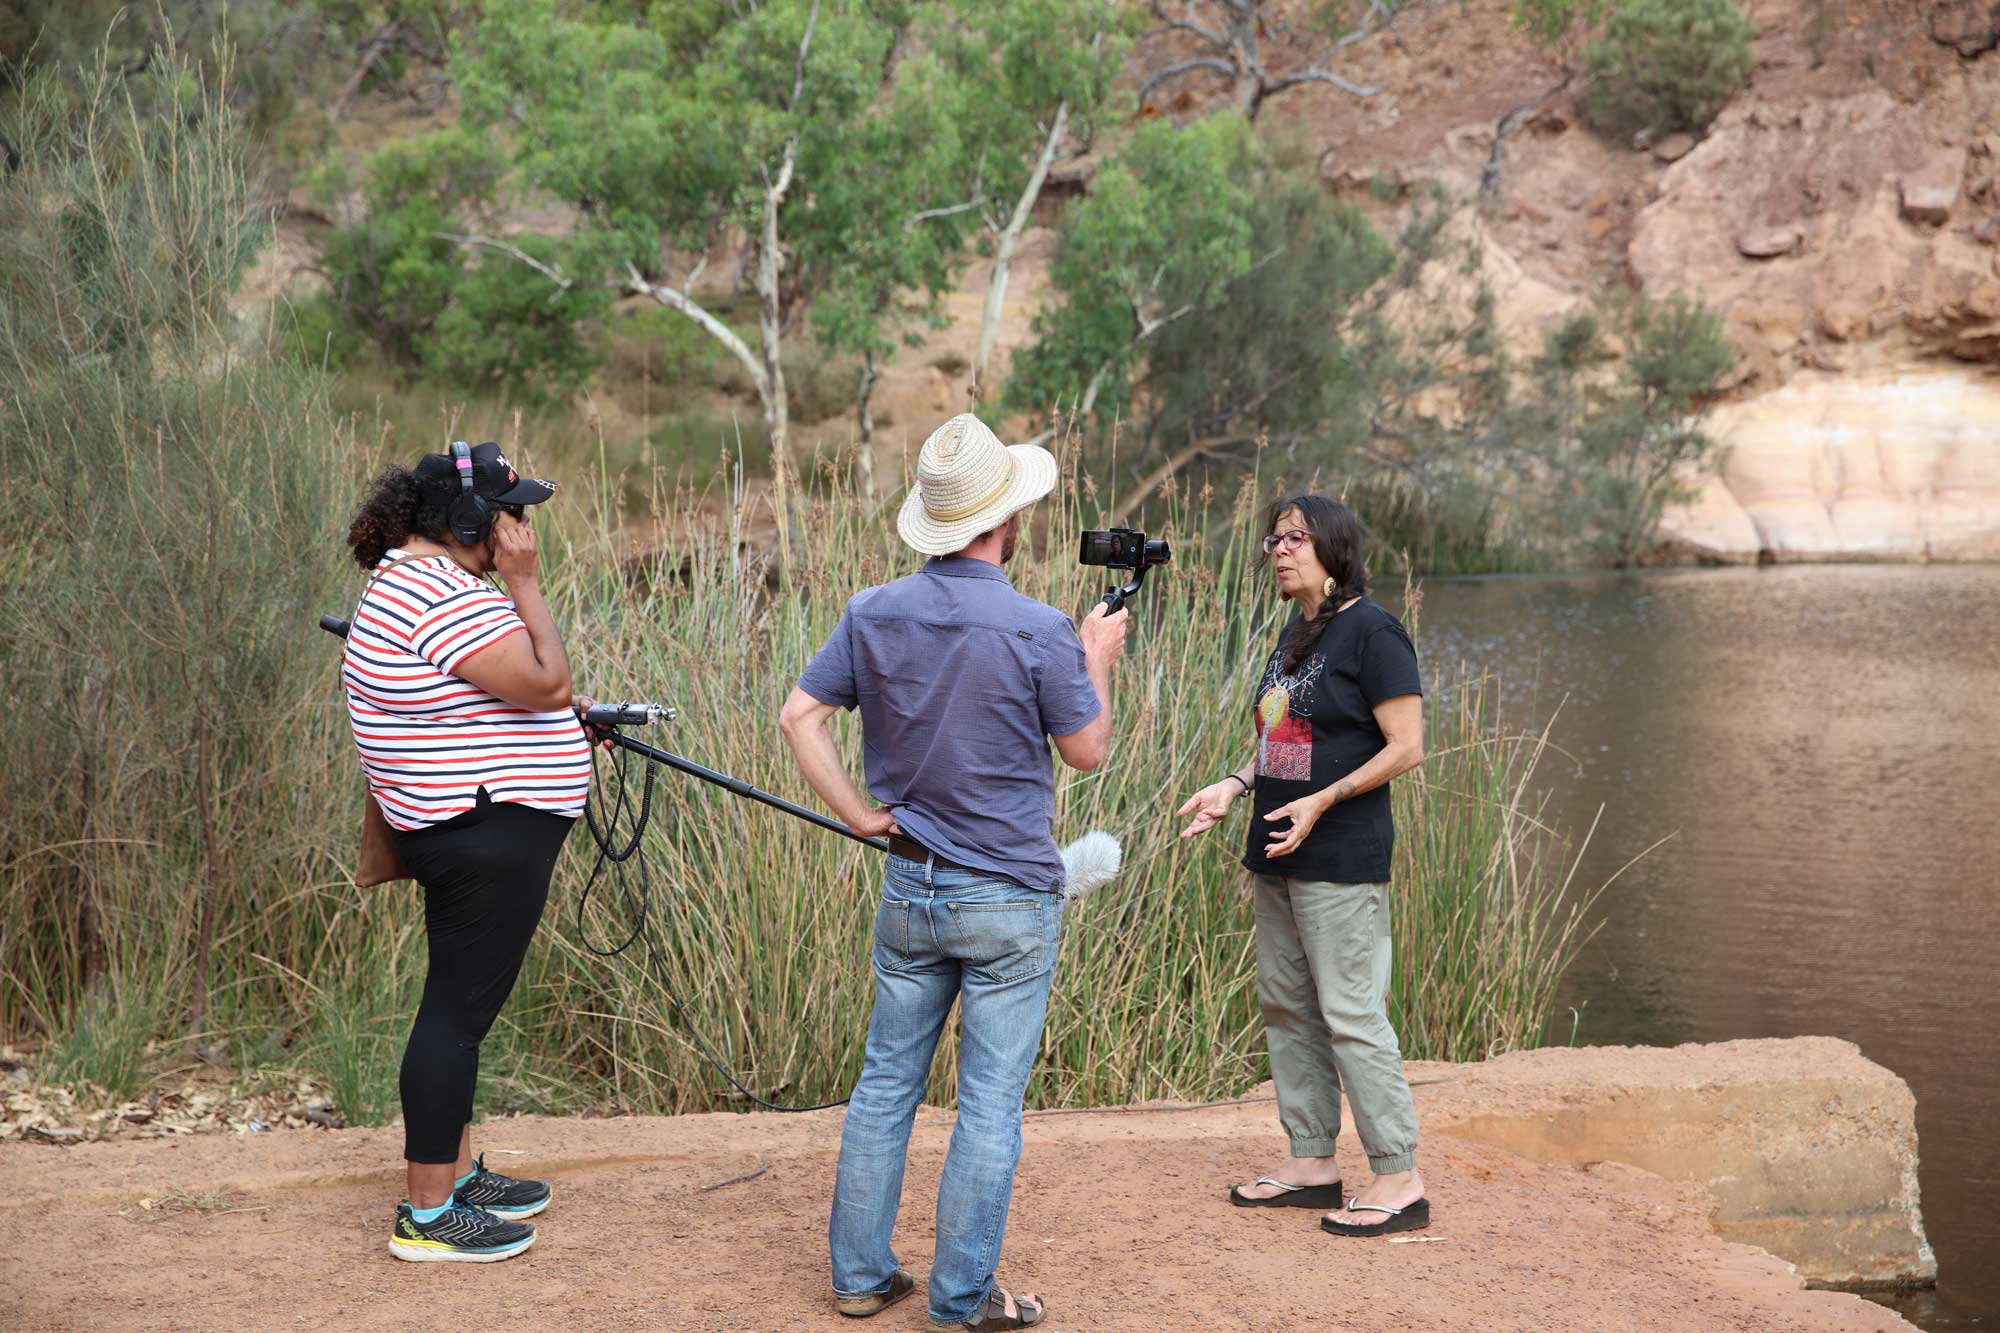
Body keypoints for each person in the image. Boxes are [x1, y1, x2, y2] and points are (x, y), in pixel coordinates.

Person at [779, 414, 1128, 1331]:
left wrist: (859, 813)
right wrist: (1095, 659)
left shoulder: (873, 610)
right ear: (1006, 518)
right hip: (1010, 895)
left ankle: (859, 1278)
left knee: (886, 1084)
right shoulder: (1041, 626)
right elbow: (1088, 750)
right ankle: (962, 1298)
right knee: (987, 1105)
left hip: (910, 885)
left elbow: (799, 717)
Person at [341, 441, 597, 1263]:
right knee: (454, 1013)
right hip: (482, 834)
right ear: (467, 521)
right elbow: (547, 682)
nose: (522, 529)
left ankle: (449, 1176)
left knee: (463, 1009)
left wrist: (554, 716)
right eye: (511, 513)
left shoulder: (417, 583)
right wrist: (524, 584)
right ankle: (427, 1213)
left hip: (473, 826)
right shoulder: (443, 592)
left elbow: (493, 693)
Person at [1175, 494, 1431, 1238]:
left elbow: (1408, 745)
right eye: (1273, 539)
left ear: (1334, 546)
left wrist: (1322, 802)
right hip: (1277, 853)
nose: (1279, 550)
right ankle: (1314, 1161)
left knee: (1351, 1013)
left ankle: (1398, 1173)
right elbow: (1281, 740)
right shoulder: (1299, 632)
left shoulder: (1373, 631)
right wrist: (1233, 785)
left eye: (1296, 538)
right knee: (1287, 1005)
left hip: (1341, 860)